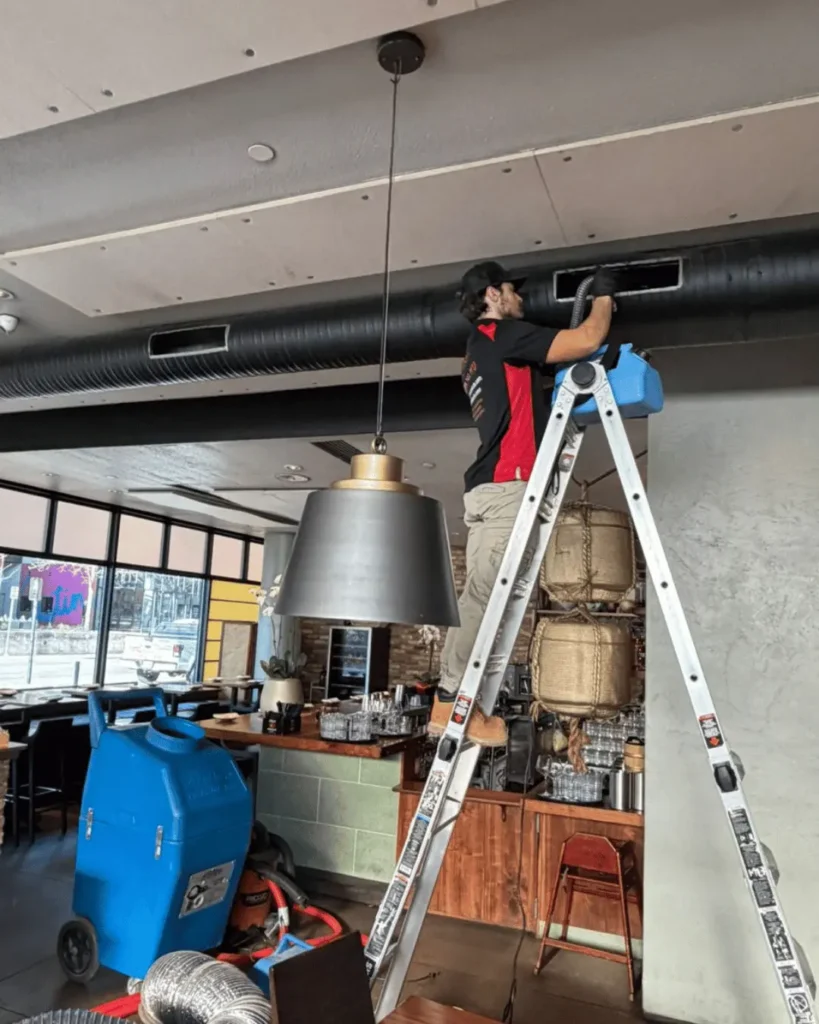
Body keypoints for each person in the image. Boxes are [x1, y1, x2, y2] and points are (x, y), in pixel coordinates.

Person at [428, 260, 619, 746]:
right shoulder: (498, 334)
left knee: (490, 597)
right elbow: (584, 340)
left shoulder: (481, 353)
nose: (522, 300)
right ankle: (450, 704)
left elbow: (526, 399)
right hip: (509, 484)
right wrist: (604, 299)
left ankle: (460, 704)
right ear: (493, 295)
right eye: (514, 291)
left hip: (496, 487)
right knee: (483, 598)